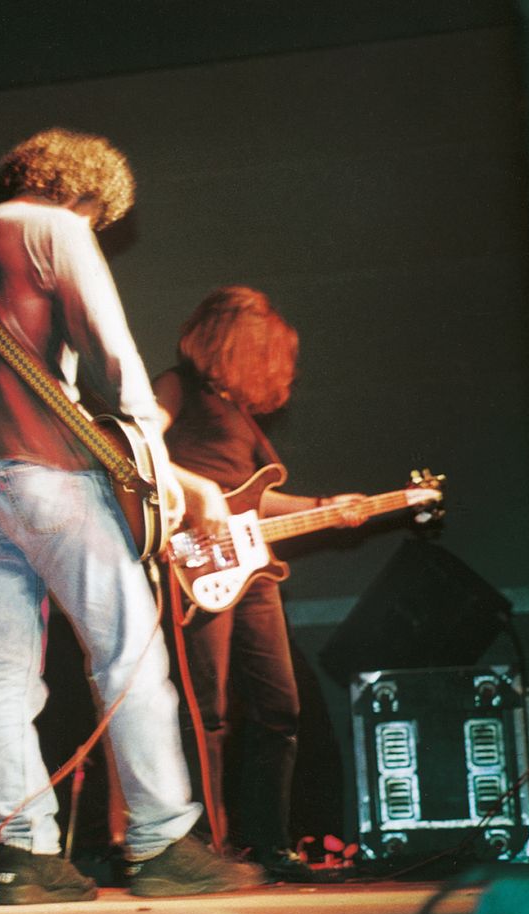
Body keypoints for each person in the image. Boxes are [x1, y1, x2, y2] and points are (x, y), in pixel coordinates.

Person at [0, 128, 263, 903]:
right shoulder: (58, 229)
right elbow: (112, 355)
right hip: (49, 476)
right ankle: (164, 838)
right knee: (128, 652)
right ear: (84, 191)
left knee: (4, 673)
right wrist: (154, 465)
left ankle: (22, 856)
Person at [155, 285, 364, 881]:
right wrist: (192, 496)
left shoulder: (241, 416)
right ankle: (198, 844)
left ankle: (269, 844)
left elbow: (254, 500)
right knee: (207, 710)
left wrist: (331, 505)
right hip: (196, 563)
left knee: (281, 706)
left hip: (252, 568)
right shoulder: (178, 387)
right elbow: (136, 447)